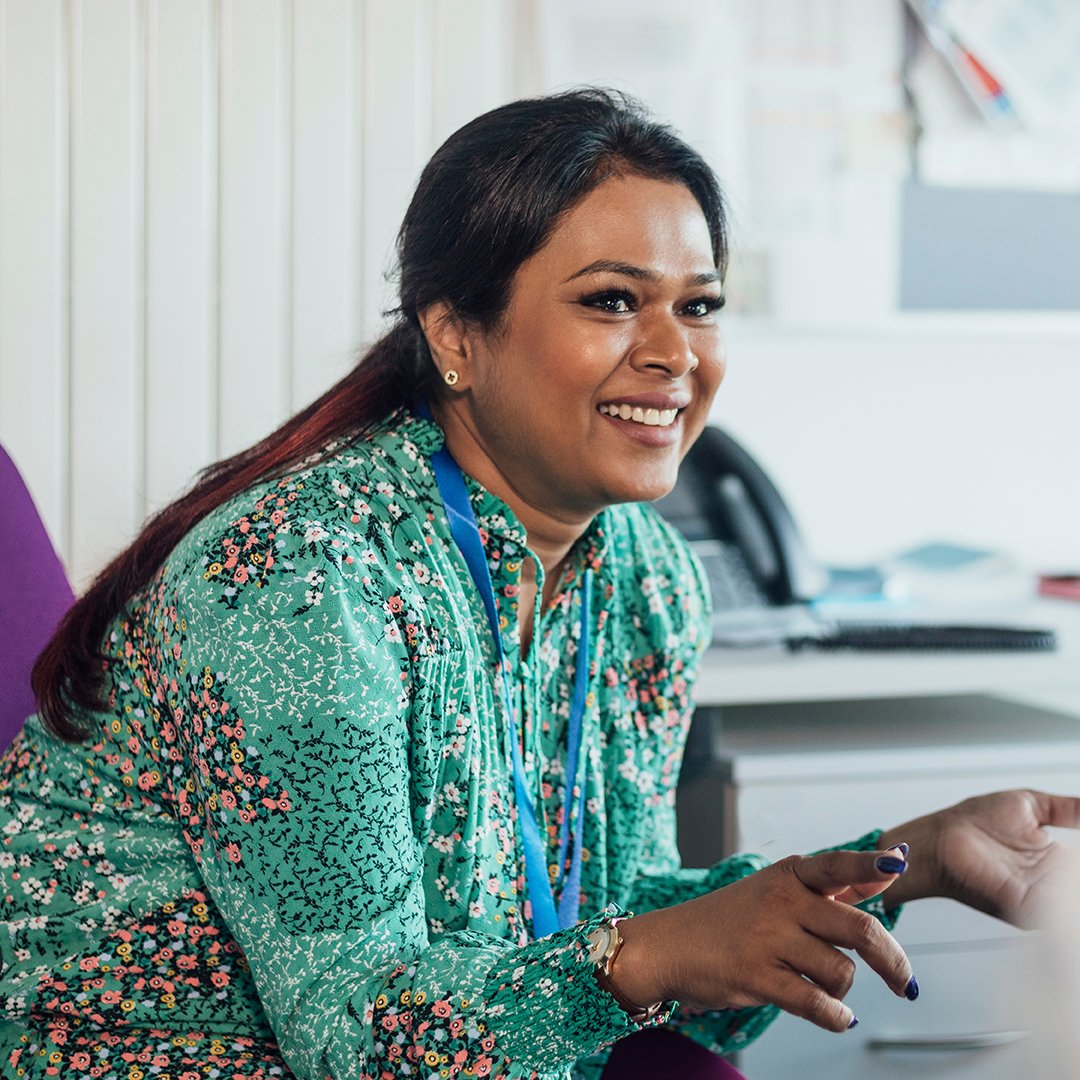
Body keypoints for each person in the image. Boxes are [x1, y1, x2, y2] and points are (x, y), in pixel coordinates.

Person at [1, 88, 1076, 1080]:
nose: (675, 354)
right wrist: (642, 958)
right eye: (613, 302)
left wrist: (914, 856)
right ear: (457, 337)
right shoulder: (303, 587)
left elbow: (628, 923)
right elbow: (358, 1040)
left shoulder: (648, 579)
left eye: (700, 306)